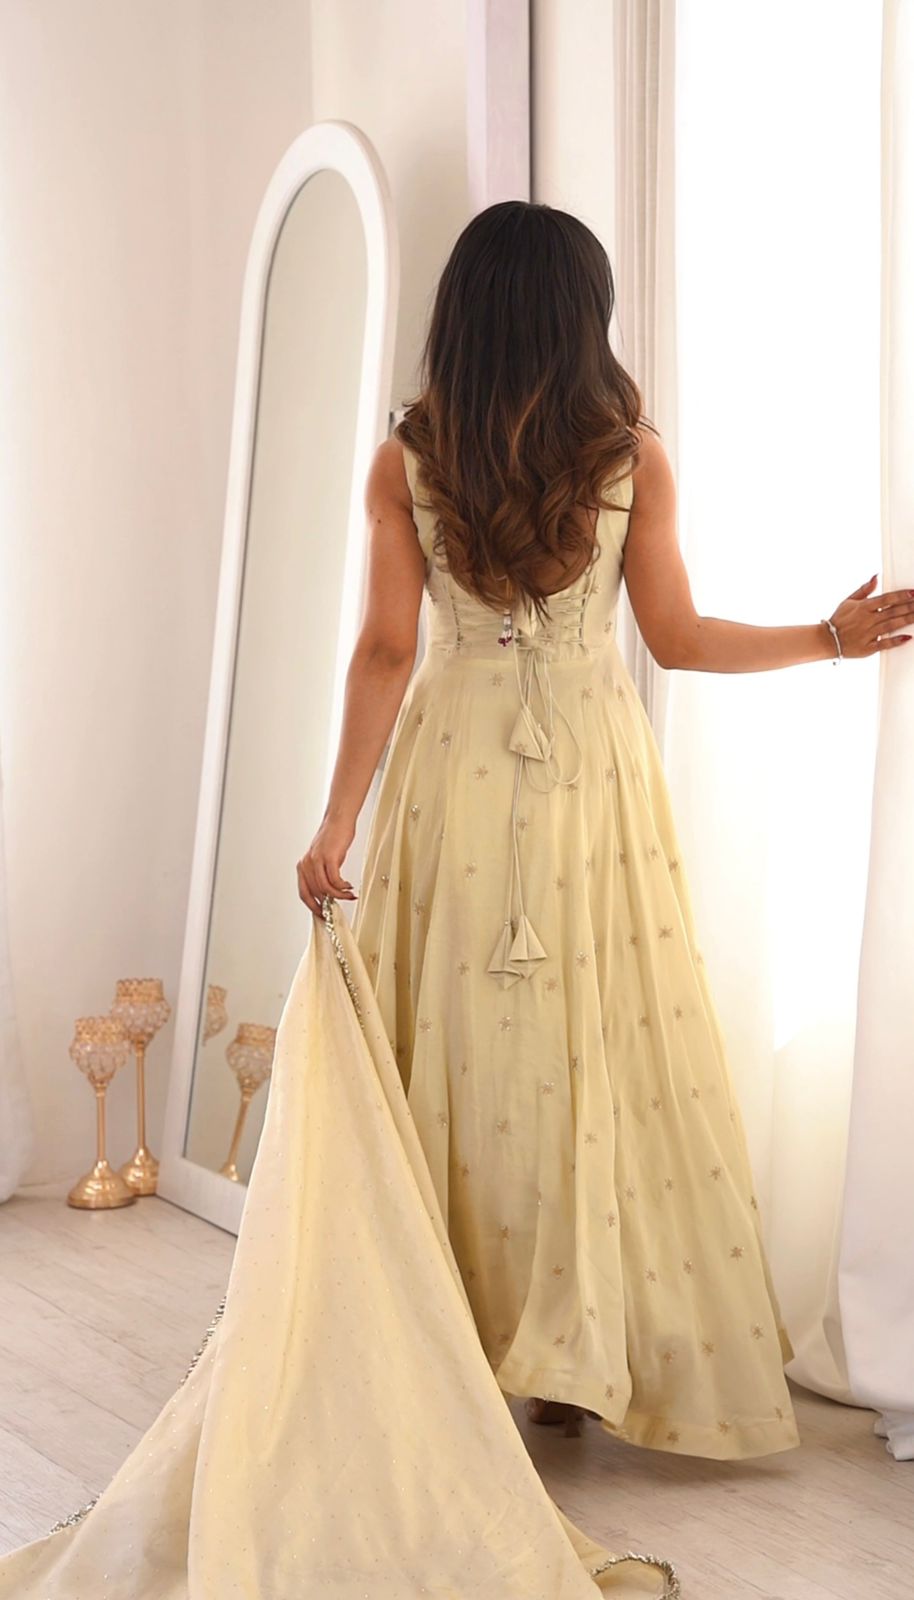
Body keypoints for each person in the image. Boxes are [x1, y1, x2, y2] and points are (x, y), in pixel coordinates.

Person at [296, 199, 914, 1458]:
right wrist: (826, 638)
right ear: (583, 319)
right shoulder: (628, 459)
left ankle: (451, 1338)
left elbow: (385, 651)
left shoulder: (406, 461)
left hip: (455, 773)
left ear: (463, 315)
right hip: (590, 782)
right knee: (589, 1047)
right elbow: (674, 641)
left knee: (457, 1052)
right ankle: (567, 1357)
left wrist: (337, 820)